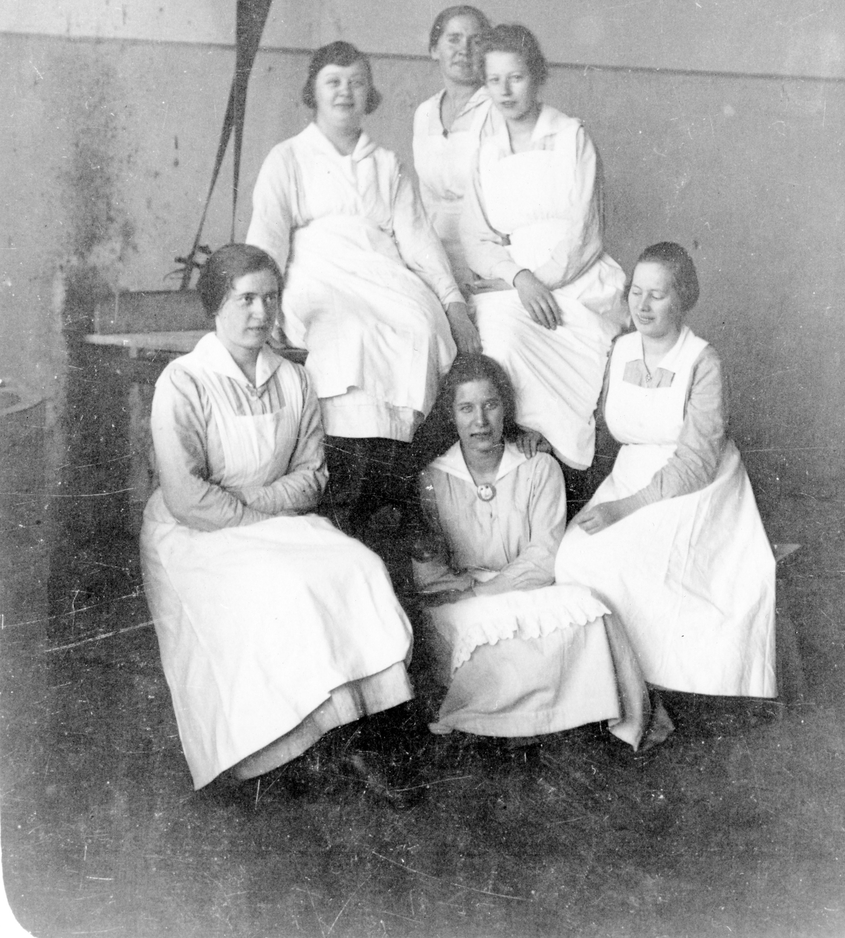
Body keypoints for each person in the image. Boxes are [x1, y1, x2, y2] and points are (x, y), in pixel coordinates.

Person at [139, 244, 418, 796]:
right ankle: (294, 744)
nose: (261, 312)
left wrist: (256, 504)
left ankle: (362, 731)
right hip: (195, 532)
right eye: (246, 299)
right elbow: (187, 496)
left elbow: (312, 477)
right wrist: (261, 510)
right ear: (215, 305)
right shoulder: (185, 380)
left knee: (359, 566)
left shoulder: (294, 378)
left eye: (270, 298)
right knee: (287, 585)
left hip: (277, 519)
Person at [246, 41, 480, 537]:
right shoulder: (287, 158)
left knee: (420, 326)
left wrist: (453, 302)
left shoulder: (386, 163)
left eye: (356, 82)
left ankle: (391, 490)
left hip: (382, 270)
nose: (345, 92)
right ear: (313, 91)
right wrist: (262, 309)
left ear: (369, 93)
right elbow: (267, 240)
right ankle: (346, 496)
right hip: (316, 271)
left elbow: (418, 240)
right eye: (333, 82)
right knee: (348, 332)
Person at [555, 242, 777, 698]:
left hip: (696, 488)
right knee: (576, 556)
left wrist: (624, 509)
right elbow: (597, 423)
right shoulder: (619, 350)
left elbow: (697, 460)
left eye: (657, 295)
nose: (642, 305)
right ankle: (616, 692)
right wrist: (548, 439)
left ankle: (659, 692)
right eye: (636, 292)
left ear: (683, 299)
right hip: (629, 476)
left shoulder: (702, 361)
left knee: (635, 562)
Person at [413, 354, 666, 748]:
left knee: (590, 612)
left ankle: (562, 719)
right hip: (462, 595)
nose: (480, 421)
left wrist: (486, 590)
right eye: (467, 408)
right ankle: (512, 725)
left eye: (490, 405)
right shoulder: (431, 480)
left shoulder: (538, 467)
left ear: (506, 409)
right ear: (451, 415)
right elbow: (429, 570)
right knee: (480, 636)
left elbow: (544, 555)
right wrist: (466, 590)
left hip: (525, 585)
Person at [460, 23, 628, 478]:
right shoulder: (485, 149)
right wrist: (519, 279)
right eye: (494, 80)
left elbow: (585, 230)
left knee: (575, 346)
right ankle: (519, 458)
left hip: (576, 277)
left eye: (515, 77)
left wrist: (540, 281)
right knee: (497, 337)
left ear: (536, 76)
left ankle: (560, 457)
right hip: (515, 280)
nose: (504, 91)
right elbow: (476, 236)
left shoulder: (571, 136)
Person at [412, 5, 492, 292]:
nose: (464, 50)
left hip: (485, 253)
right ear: (434, 49)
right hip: (434, 252)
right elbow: (426, 199)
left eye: (476, 41)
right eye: (454, 39)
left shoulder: (496, 108)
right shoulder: (424, 113)